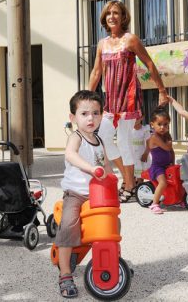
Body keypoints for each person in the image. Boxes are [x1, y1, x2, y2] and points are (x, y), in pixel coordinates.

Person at [88, 0, 169, 203]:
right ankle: (129, 179)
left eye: (116, 13)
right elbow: (97, 71)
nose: (112, 17)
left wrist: (161, 89)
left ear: (123, 17)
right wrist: (87, 97)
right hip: (111, 100)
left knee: (123, 140)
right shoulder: (102, 44)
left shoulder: (130, 39)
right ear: (104, 18)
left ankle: (130, 183)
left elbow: (149, 63)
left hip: (129, 97)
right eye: (108, 14)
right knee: (104, 137)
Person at [55, 90, 113, 298]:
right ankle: (65, 273)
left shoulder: (100, 141)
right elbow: (70, 155)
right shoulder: (76, 137)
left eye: (96, 113)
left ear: (102, 115)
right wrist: (90, 169)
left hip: (97, 194)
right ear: (73, 118)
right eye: (85, 113)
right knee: (70, 225)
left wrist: (110, 176)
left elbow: (106, 165)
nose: (91, 118)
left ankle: (110, 261)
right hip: (76, 193)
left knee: (111, 225)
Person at [147, 107, 175, 214]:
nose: (163, 127)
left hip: (167, 165)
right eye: (159, 124)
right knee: (163, 183)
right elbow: (167, 147)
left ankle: (177, 198)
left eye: (166, 124)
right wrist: (169, 141)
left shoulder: (167, 135)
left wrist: (172, 163)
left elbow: (171, 151)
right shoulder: (154, 137)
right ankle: (154, 204)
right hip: (157, 167)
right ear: (152, 124)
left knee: (177, 180)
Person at [131, 117, 152, 182]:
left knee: (140, 174)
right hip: (132, 155)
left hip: (141, 155)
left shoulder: (144, 130)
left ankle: (140, 187)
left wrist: (146, 154)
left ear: (141, 118)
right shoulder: (129, 129)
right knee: (132, 173)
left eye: (136, 118)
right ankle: (133, 187)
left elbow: (149, 143)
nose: (134, 120)